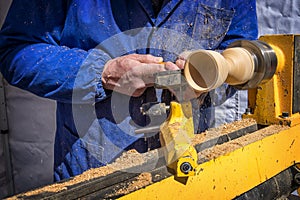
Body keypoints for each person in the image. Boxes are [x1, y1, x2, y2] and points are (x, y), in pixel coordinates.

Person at [0, 0, 258, 182]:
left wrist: (209, 79)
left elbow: (240, 55)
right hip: (92, 168)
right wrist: (103, 73)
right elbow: (16, 51)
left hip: (189, 164)